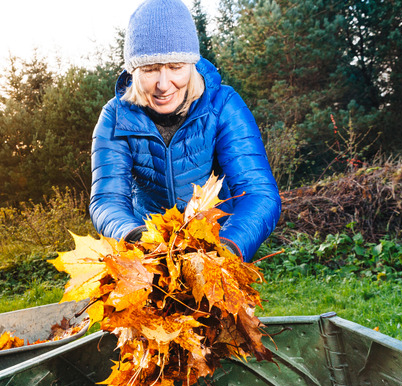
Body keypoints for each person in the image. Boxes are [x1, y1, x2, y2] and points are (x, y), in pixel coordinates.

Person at [89, 0, 281, 262]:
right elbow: (107, 200)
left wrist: (227, 248)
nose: (164, 85)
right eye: (150, 69)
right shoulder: (115, 117)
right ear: (134, 71)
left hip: (217, 242)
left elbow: (258, 192)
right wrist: (138, 239)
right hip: (147, 253)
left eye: (176, 67)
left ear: (192, 64)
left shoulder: (222, 105)